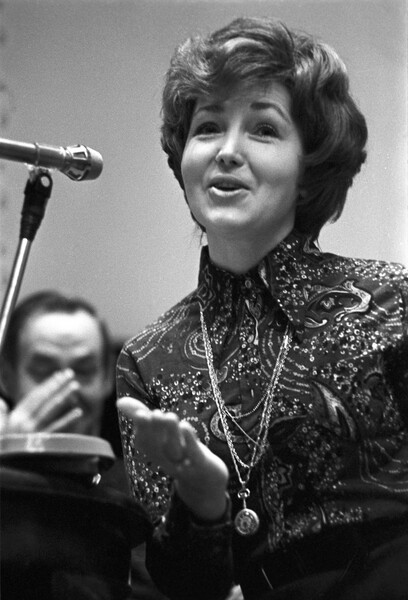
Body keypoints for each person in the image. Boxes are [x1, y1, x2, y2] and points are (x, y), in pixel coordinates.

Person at [116, 16, 408, 600]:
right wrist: (202, 506)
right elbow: (181, 585)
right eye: (208, 127)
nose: (227, 151)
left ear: (309, 168)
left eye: (264, 129)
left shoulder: (393, 302)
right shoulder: (148, 358)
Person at [0, 290, 168, 600]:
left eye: (84, 370)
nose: (67, 387)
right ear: (6, 377)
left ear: (106, 378)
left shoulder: (141, 489)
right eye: (43, 370)